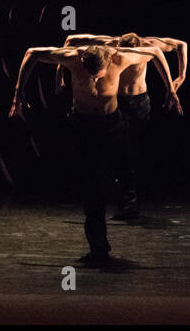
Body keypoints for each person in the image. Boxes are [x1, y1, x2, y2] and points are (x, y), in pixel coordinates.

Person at [13, 42, 178, 264]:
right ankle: (99, 248)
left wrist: (171, 89)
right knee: (91, 188)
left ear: (109, 63)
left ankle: (127, 201)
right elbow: (31, 52)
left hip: (112, 124)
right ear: (82, 62)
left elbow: (157, 52)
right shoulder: (73, 57)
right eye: (89, 76)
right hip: (82, 125)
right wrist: (18, 91)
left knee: (122, 168)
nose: (94, 80)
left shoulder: (120, 58)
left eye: (98, 76)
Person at [63, 32, 187, 219]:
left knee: (133, 151)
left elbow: (181, 45)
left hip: (138, 102)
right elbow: (71, 40)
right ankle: (119, 198)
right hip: (119, 103)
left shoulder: (148, 45)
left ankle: (131, 200)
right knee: (118, 152)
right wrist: (60, 76)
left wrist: (180, 77)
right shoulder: (110, 46)